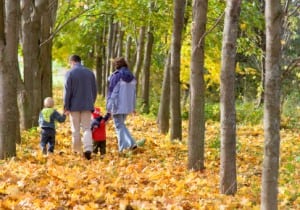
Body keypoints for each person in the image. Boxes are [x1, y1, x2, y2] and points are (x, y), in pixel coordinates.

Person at [106, 57, 145, 153]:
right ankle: (125, 146)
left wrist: (109, 107)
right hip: (127, 106)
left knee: (119, 126)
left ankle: (128, 145)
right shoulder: (132, 77)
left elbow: (113, 93)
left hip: (117, 105)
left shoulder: (116, 76)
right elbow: (133, 94)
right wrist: (133, 106)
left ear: (117, 65)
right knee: (121, 125)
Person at [63, 54, 97, 160]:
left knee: (75, 129)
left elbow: (67, 91)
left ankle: (77, 151)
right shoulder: (90, 73)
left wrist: (66, 107)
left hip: (74, 106)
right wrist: (91, 102)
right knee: (87, 128)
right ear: (79, 61)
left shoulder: (69, 73)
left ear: (72, 62)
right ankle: (88, 149)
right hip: (87, 105)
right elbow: (94, 91)